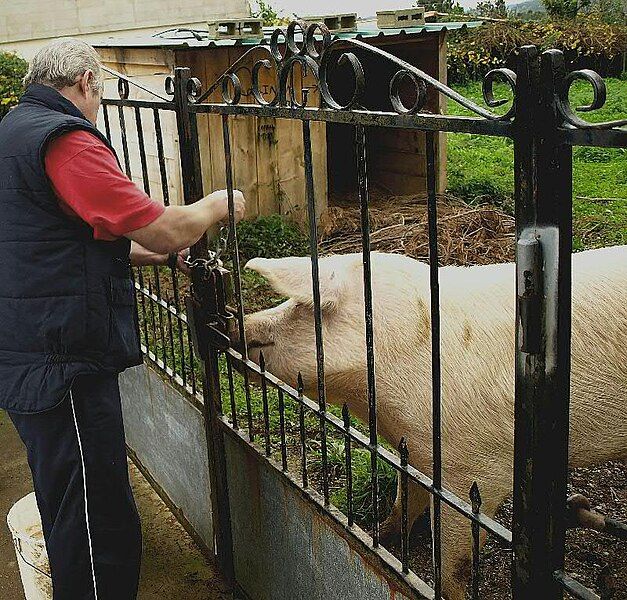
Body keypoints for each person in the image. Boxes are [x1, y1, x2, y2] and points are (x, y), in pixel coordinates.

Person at [0, 38, 245, 600]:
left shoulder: (14, 132)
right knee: (96, 525)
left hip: (28, 350)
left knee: (72, 506)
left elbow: (69, 239)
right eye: (101, 92)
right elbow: (160, 225)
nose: (101, 105)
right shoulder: (62, 142)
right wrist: (218, 205)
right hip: (60, 363)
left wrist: (162, 257)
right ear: (85, 82)